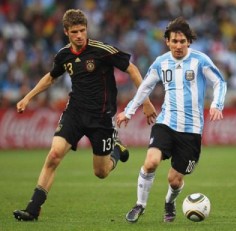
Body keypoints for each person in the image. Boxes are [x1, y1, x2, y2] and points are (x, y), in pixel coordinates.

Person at [13, 9, 156, 221]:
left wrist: (145, 101)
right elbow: (51, 77)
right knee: (54, 155)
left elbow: (132, 69)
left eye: (82, 30)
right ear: (66, 32)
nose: (79, 35)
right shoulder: (64, 55)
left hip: (101, 117)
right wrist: (28, 97)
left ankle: (116, 150)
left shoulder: (102, 50)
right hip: (75, 113)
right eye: (74, 32)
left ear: (86, 29)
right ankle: (33, 209)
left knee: (101, 172)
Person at [116, 16, 227, 223]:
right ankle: (140, 205)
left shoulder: (200, 60)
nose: (178, 46)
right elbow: (145, 87)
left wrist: (216, 105)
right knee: (151, 162)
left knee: (174, 180)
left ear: (189, 42)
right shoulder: (161, 62)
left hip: (192, 130)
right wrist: (128, 111)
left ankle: (170, 201)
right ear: (167, 41)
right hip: (166, 122)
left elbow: (220, 82)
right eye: (174, 41)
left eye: (182, 41)